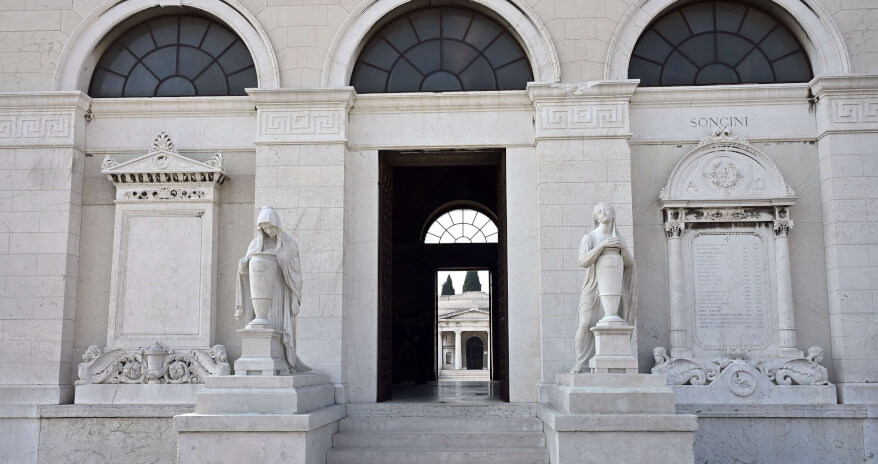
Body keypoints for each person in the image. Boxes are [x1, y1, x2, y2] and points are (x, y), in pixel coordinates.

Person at [235, 205, 310, 373]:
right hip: (261, 291)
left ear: (277, 225)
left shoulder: (289, 244)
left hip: (281, 292)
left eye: (271, 227)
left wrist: (295, 299)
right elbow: (245, 271)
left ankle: (282, 360)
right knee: (262, 319)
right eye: (265, 228)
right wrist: (244, 263)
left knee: (281, 325)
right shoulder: (255, 244)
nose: (269, 231)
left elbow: (296, 275)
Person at [569, 202, 637, 374]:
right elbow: (583, 261)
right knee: (585, 323)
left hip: (613, 284)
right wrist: (601, 246)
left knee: (614, 321)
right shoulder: (590, 237)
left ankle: (614, 360)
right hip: (593, 285)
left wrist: (623, 249)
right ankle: (581, 363)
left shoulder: (620, 238)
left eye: (607, 210)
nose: (603, 212)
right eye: (599, 211)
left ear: (613, 215)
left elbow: (629, 263)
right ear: (595, 217)